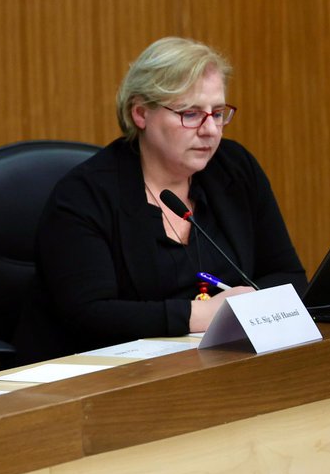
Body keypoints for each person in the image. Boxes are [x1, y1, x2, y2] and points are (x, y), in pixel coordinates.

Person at [36, 36, 307, 352]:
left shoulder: (234, 169)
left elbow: (289, 276)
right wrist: (199, 314)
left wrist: (247, 311)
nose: (210, 130)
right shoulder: (84, 195)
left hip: (226, 359)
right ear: (140, 114)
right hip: (111, 374)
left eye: (217, 113)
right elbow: (89, 315)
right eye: (190, 114)